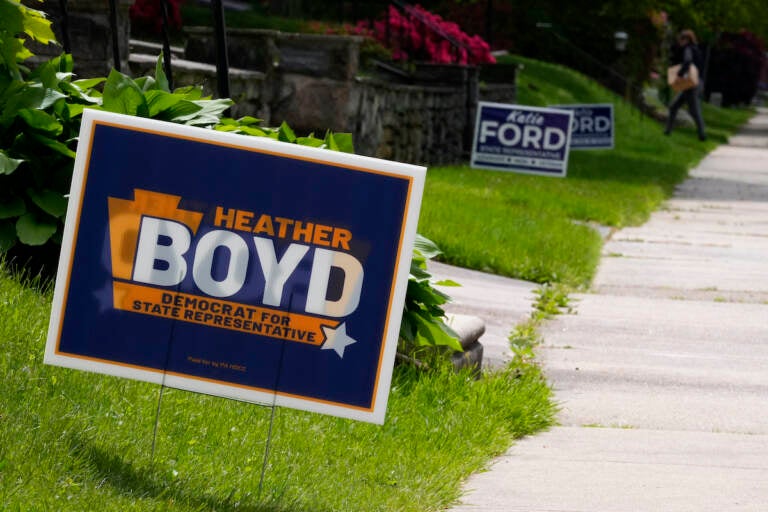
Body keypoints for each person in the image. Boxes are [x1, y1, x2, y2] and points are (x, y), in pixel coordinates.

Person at [664, 29, 707, 141]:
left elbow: (687, 61)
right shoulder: (697, 49)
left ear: (686, 39)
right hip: (695, 83)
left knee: (694, 110)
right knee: (674, 106)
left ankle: (702, 134)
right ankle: (667, 130)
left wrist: (679, 74)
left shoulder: (688, 49)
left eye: (681, 39)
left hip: (690, 84)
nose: (679, 42)